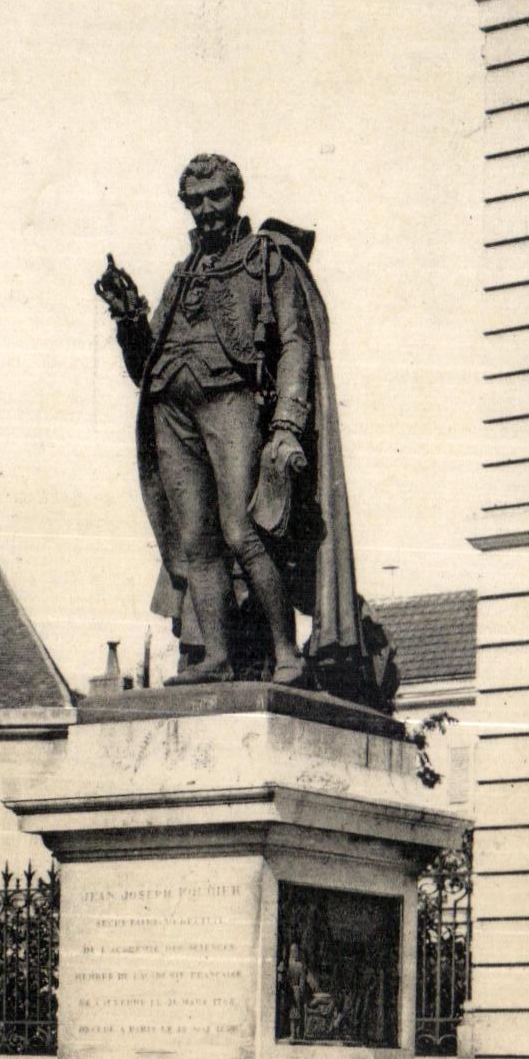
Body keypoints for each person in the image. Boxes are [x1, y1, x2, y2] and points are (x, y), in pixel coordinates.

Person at [95, 154, 366, 689]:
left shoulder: (267, 258)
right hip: (171, 408)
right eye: (195, 201)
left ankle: (287, 654)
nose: (206, 210)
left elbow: (295, 343)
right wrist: (128, 319)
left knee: (245, 529)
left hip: (231, 400)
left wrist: (287, 422)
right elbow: (143, 367)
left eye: (216, 196)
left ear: (236, 196)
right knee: (197, 540)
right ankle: (216, 656)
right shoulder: (181, 274)